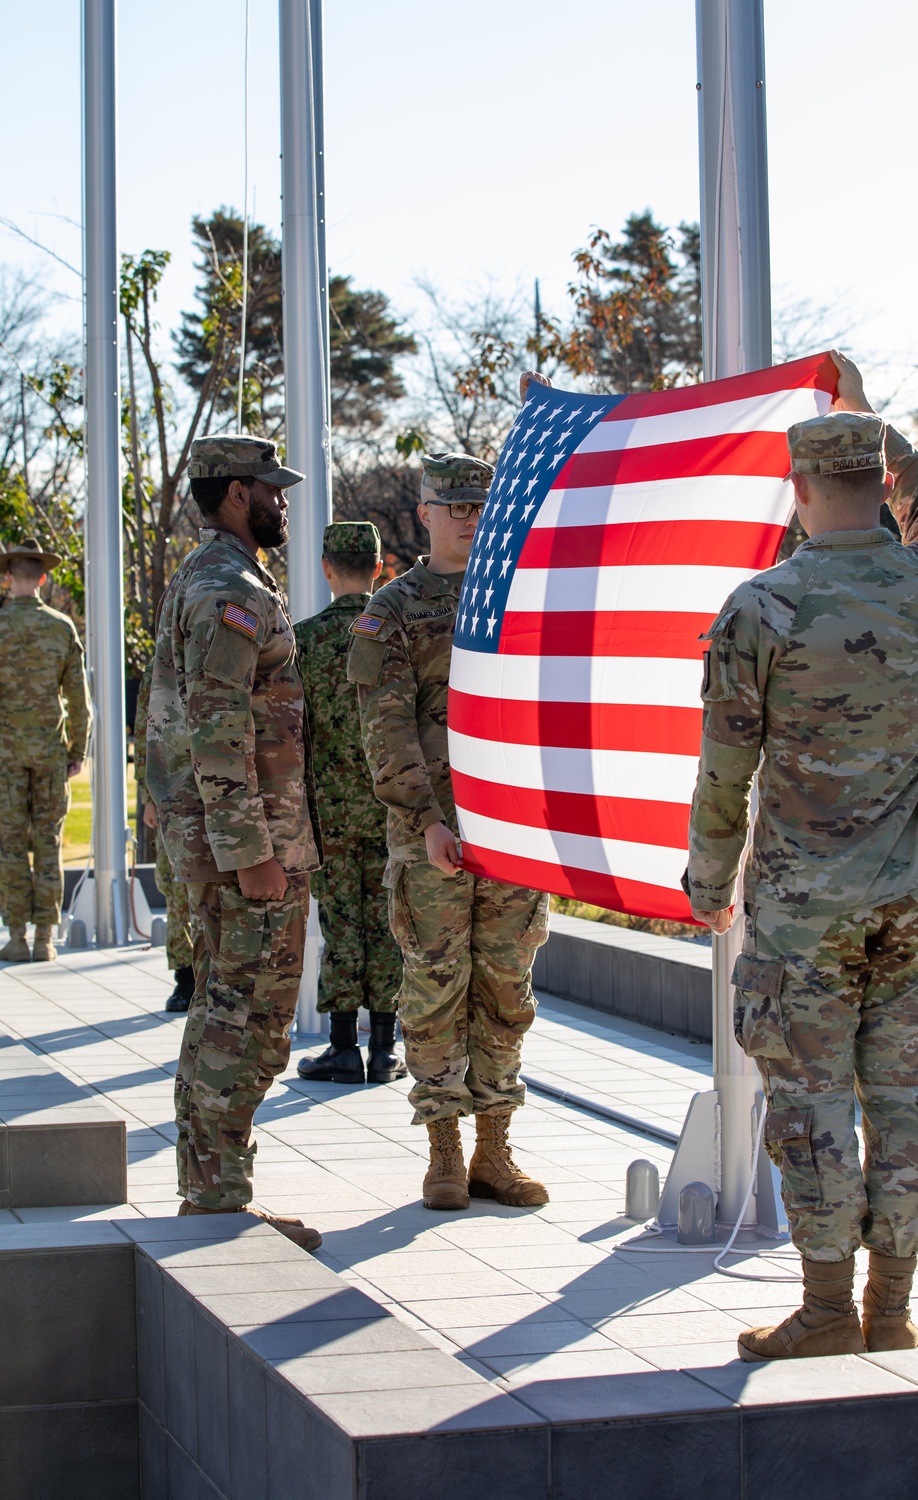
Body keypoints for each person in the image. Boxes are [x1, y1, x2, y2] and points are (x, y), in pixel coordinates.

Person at [683, 352, 918, 1362]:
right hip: (910, 902)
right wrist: (865, 414)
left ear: (799, 490)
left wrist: (707, 883)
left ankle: (824, 1310)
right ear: (879, 477)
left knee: (808, 1104)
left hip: (802, 912)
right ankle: (890, 1310)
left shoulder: (759, 610)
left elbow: (725, 775)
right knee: (900, 1099)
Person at [347, 450, 550, 1212]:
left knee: (506, 987)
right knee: (435, 988)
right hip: (431, 834)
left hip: (514, 834)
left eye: (478, 506)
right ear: (425, 510)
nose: (468, 518)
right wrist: (425, 820)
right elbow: (385, 729)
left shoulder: (520, 599)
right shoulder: (392, 609)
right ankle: (443, 1149)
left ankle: (494, 1149)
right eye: (453, 506)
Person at [145, 436, 323, 1252]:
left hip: (239, 839)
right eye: (268, 487)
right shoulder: (226, 588)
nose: (281, 499)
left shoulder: (217, 575)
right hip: (247, 847)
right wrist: (252, 851)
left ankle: (213, 1188)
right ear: (232, 495)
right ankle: (216, 1197)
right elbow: (218, 730)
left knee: (235, 1010)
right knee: (240, 1015)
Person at [295, 521, 405, 1085]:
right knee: (387, 921)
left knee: (340, 923)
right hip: (392, 808)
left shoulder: (304, 639)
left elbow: (292, 732)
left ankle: (342, 1046)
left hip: (330, 813)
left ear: (326, 567)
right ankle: (385, 1047)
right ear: (380, 566)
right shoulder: (394, 630)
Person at [0, 538, 91, 963]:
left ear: (6, 579)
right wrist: (77, 749)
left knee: (11, 844)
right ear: (42, 579)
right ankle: (44, 939)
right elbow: (78, 698)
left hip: (5, 755)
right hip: (51, 752)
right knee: (49, 842)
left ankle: (16, 936)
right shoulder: (61, 627)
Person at [134, 656, 195, 1012]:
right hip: (171, 791)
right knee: (175, 889)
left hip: (217, 792)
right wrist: (149, 797)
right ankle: (184, 978)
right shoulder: (159, 668)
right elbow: (147, 732)